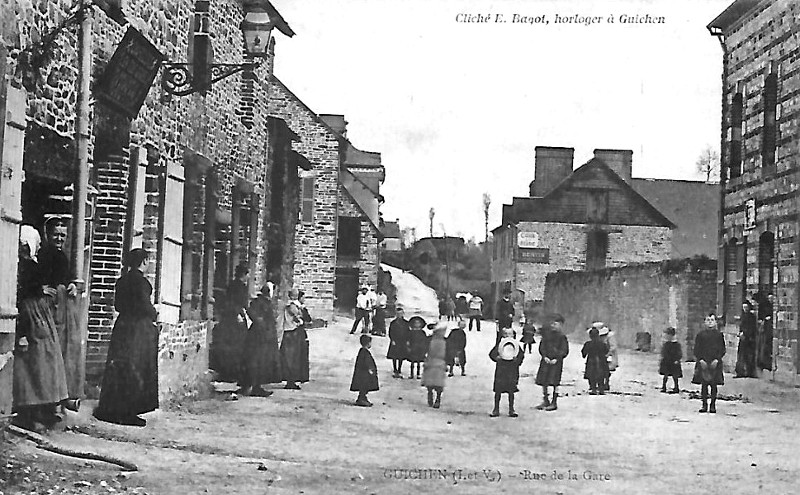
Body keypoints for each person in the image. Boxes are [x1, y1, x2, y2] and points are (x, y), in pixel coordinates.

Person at [13, 226, 69, 431]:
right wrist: (39, 289)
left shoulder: (32, 264)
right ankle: (32, 410)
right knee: (35, 363)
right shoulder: (23, 266)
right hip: (31, 314)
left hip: (40, 314)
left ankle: (46, 407)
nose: (26, 249)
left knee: (47, 360)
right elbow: (22, 289)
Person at [94, 248, 158, 427]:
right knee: (135, 367)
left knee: (119, 367)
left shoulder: (121, 281)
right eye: (147, 261)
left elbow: (118, 306)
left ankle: (110, 409)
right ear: (144, 262)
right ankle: (129, 412)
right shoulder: (143, 283)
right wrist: (154, 313)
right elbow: (146, 307)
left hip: (122, 327)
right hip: (138, 329)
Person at [38, 219, 82, 412]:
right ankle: (50, 400)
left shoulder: (62, 256)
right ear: (48, 234)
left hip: (62, 306)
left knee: (65, 347)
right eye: (56, 234)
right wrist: (42, 289)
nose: (59, 239)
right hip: (48, 307)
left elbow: (65, 278)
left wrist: (71, 285)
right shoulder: (42, 255)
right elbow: (35, 278)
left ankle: (62, 397)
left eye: (63, 235)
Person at [238, 285, 281, 397]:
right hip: (259, 335)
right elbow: (252, 313)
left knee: (260, 360)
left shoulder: (264, 302)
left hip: (264, 334)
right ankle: (254, 387)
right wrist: (260, 322)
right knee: (258, 360)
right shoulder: (260, 302)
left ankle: (254, 386)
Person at [211, 264, 250, 382]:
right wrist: (237, 314)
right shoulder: (237, 286)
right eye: (247, 274)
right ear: (243, 275)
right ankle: (231, 373)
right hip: (233, 318)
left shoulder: (238, 286)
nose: (248, 277)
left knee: (238, 345)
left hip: (236, 316)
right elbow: (232, 302)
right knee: (235, 345)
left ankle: (235, 373)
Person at [692, 313, 726, 414]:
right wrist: (700, 360)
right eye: (708, 320)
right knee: (704, 385)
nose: (710, 322)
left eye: (712, 320)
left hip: (715, 362)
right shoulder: (700, 335)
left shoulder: (719, 335)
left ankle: (713, 405)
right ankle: (704, 404)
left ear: (715, 322)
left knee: (714, 385)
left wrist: (717, 359)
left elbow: (722, 349)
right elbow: (696, 349)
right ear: (705, 322)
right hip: (703, 361)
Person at [535, 314, 569, 411]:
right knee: (544, 380)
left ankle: (554, 402)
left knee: (555, 381)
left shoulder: (562, 337)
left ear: (561, 325)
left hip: (556, 363)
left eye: (556, 324)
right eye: (553, 324)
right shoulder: (546, 336)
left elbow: (564, 350)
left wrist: (557, 358)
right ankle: (545, 399)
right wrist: (544, 356)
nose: (553, 326)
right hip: (546, 361)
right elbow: (542, 347)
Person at [489, 327, 525, 418]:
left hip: (512, 370)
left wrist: (517, 360)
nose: (508, 336)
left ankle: (511, 409)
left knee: (511, 390)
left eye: (510, 334)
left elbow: (521, 355)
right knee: (498, 390)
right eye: (506, 334)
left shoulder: (515, 346)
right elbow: (492, 354)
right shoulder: (500, 345)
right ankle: (496, 409)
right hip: (501, 369)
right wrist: (497, 358)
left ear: (513, 335)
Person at [280, 289, 309, 390]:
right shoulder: (291, 306)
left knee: (292, 357)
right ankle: (290, 380)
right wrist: (301, 320)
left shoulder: (293, 305)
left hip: (291, 332)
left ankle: (291, 380)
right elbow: (298, 318)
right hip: (291, 332)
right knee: (291, 358)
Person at [422, 323, 447, 409]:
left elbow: (448, 352)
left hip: (440, 362)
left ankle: (438, 399)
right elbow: (424, 348)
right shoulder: (429, 340)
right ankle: (430, 395)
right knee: (430, 382)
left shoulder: (445, 341)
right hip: (431, 361)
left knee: (438, 383)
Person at [350, 334, 379, 407]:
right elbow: (366, 362)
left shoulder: (363, 351)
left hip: (364, 374)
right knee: (364, 386)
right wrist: (370, 370)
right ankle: (361, 398)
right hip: (364, 374)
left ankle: (363, 397)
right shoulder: (364, 352)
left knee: (365, 386)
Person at [581, 327, 609, 395]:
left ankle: (593, 388)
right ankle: (601, 388)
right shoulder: (602, 344)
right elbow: (606, 351)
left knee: (591, 375)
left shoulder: (588, 344)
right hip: (601, 361)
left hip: (591, 361)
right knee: (601, 375)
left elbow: (584, 353)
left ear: (590, 336)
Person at [734, 301, 758, 378]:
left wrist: (745, 333)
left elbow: (752, 328)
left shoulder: (751, 317)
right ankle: (740, 372)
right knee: (741, 355)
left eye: (746, 307)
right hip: (743, 338)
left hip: (749, 339)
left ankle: (749, 372)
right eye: (743, 307)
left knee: (749, 356)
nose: (745, 309)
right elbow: (741, 326)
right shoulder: (743, 316)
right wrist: (740, 333)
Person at [386, 307, 410, 378]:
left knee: (401, 356)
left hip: (402, 341)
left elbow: (408, 332)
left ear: (403, 314)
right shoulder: (393, 323)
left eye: (401, 313)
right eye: (398, 314)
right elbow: (390, 332)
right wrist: (392, 340)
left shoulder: (406, 323)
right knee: (394, 356)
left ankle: (399, 369)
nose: (399, 315)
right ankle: (395, 369)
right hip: (395, 341)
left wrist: (407, 340)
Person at [659, 327, 682, 394]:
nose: (667, 337)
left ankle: (676, 387)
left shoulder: (676, 345)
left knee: (675, 376)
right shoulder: (666, 344)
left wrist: (677, 359)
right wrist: (663, 358)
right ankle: (664, 387)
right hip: (667, 361)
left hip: (674, 362)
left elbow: (679, 353)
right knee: (665, 375)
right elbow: (663, 352)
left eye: (668, 335)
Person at [596, 322, 618, 391]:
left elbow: (613, 347)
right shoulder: (600, 337)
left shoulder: (610, 337)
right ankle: (602, 384)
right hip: (603, 356)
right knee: (602, 370)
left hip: (609, 356)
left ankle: (606, 383)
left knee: (607, 370)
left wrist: (608, 354)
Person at [757, 293, 774, 372]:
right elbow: (760, 318)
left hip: (770, 329)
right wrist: (764, 319)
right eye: (770, 298)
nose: (771, 300)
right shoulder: (764, 306)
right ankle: (762, 363)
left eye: (772, 299)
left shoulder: (772, 307)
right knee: (763, 346)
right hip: (765, 329)